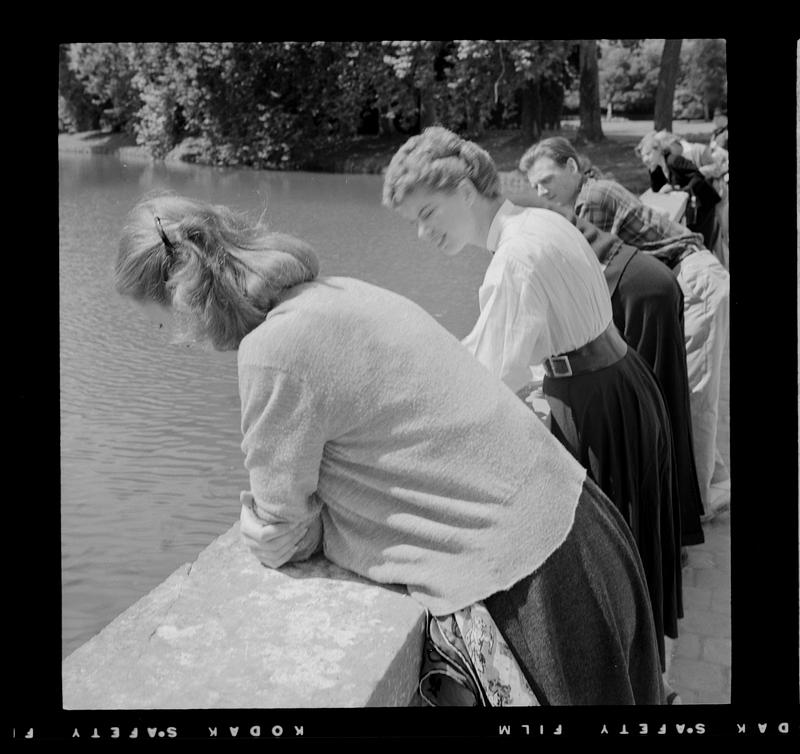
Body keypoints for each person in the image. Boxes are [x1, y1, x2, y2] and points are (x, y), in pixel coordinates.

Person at [114, 192, 665, 706]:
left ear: (184, 300)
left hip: (530, 582)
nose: (173, 338)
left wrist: (298, 523)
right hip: (586, 525)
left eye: (162, 323)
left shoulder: (269, 352)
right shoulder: (341, 291)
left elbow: (283, 533)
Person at [382, 127, 682, 675]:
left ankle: (630, 686)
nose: (424, 233)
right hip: (624, 386)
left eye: (428, 213)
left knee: (607, 577)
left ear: (465, 190)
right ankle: (651, 681)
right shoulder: (539, 221)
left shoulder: (512, 261)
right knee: (633, 555)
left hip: (596, 406)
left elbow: (487, 379)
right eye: (414, 223)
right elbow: (511, 343)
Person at [521, 136, 730, 519]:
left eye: (546, 179)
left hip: (694, 278)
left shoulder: (592, 200)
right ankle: (711, 481)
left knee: (694, 393)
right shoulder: (594, 192)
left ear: (572, 167)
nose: (540, 191)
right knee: (688, 389)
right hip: (686, 278)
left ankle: (694, 509)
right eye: (534, 186)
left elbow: (592, 280)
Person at [638, 131, 721, 251]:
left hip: (704, 203)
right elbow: (657, 189)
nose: (645, 159)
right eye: (642, 156)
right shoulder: (659, 167)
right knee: (694, 240)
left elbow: (697, 175)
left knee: (703, 241)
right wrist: (652, 170)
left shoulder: (673, 160)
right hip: (692, 207)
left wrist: (685, 190)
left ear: (659, 150)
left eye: (648, 154)